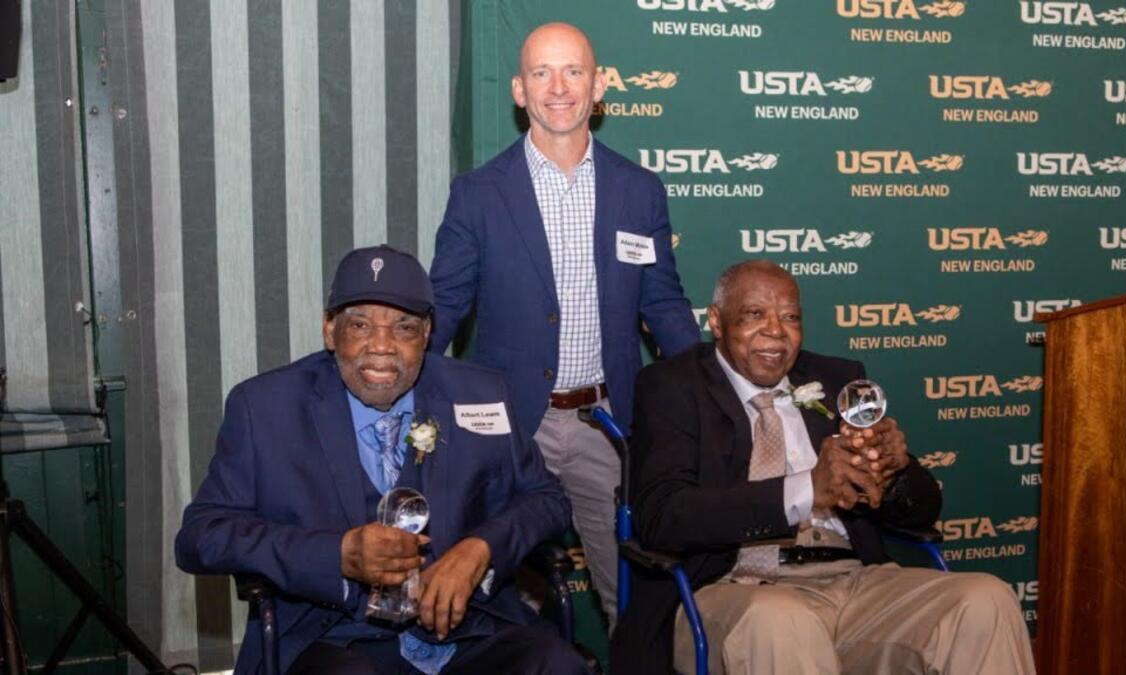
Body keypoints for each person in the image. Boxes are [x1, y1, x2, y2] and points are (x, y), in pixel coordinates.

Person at [176, 245, 589, 675]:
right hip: (334, 637)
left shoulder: (481, 393)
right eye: (359, 325)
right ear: (329, 330)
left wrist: (480, 550)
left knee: (558, 665)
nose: (381, 347)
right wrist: (334, 554)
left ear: (427, 334)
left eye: (404, 327)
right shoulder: (264, 408)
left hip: (469, 631)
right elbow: (201, 537)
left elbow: (547, 499)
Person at [610, 260, 1036, 675]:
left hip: (854, 582)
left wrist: (895, 470)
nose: (776, 330)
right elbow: (663, 517)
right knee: (782, 620)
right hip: (733, 588)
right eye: (754, 314)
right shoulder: (672, 386)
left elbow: (923, 511)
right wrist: (807, 489)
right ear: (718, 323)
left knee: (985, 599)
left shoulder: (838, 379)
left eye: (790, 317)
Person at [429, 22, 700, 625]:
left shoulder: (639, 191)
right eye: (541, 73)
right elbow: (443, 307)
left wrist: (713, 391)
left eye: (573, 71)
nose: (559, 88)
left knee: (629, 598)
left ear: (598, 86)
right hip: (508, 432)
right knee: (495, 598)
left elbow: (663, 306)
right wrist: (407, 399)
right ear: (519, 91)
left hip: (607, 426)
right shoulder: (477, 194)